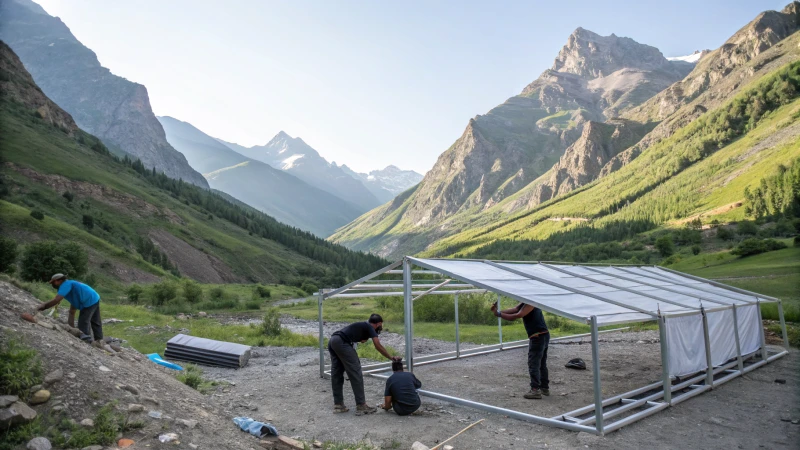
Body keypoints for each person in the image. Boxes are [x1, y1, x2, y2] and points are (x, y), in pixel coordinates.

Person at [328, 313, 399, 414]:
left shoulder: (364, 325)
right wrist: (391, 357)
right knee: (356, 372)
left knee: (337, 374)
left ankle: (338, 405)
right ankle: (361, 405)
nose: (381, 328)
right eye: (381, 325)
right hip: (342, 343)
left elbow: (360, 338)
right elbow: (377, 345)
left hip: (333, 340)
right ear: (378, 323)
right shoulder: (370, 327)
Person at [491, 301, 549, 399]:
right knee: (541, 363)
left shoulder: (531, 302)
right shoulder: (526, 301)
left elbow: (518, 315)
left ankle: (535, 390)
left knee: (534, 363)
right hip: (542, 334)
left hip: (538, 336)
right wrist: (498, 312)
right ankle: (544, 387)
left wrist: (499, 314)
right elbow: (515, 309)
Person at [36, 273, 103, 344]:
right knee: (95, 321)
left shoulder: (65, 285)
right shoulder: (70, 284)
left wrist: (44, 306)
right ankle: (99, 340)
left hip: (89, 300)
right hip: (94, 297)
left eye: (53, 282)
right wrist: (71, 328)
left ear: (59, 280)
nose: (53, 284)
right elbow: (72, 311)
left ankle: (86, 341)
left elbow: (56, 300)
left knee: (83, 322)